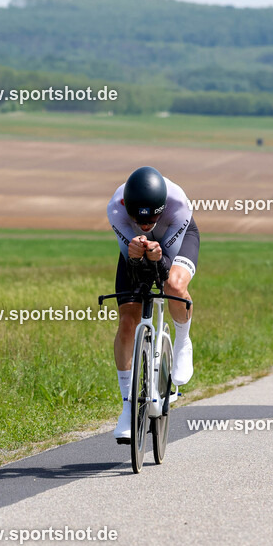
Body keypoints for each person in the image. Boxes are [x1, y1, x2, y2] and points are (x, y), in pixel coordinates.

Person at [107, 166, 199, 443]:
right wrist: (136, 254)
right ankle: (127, 407)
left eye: (153, 218)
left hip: (177, 241)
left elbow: (164, 268)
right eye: (138, 219)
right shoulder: (115, 208)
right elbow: (134, 265)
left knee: (173, 285)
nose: (146, 224)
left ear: (162, 208)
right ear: (127, 208)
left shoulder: (178, 204)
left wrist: (157, 257)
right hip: (135, 247)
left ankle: (183, 342)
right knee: (127, 321)